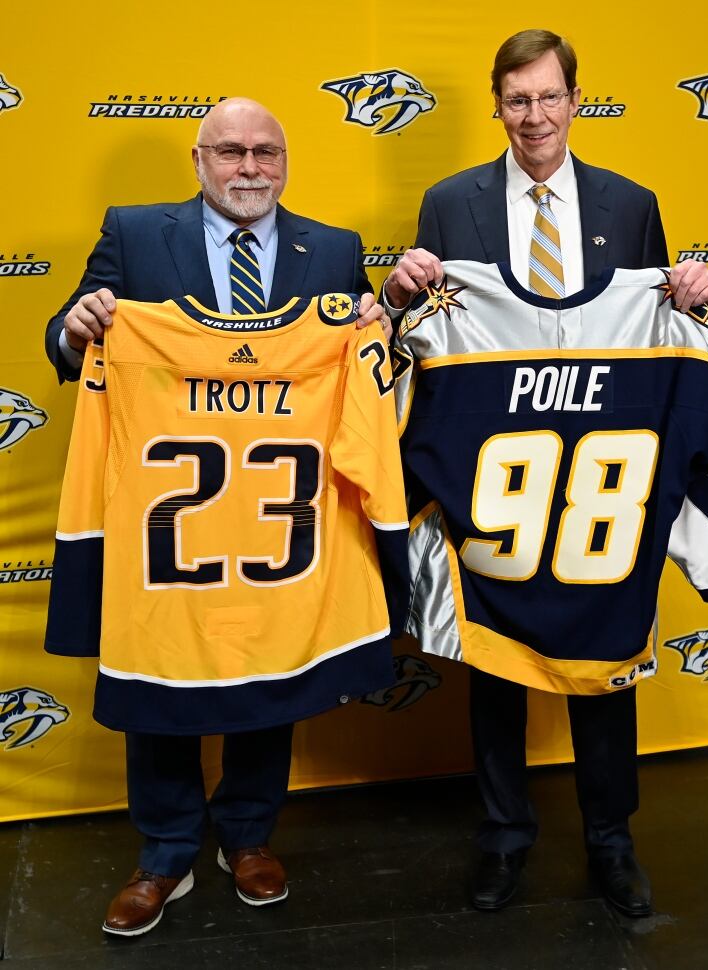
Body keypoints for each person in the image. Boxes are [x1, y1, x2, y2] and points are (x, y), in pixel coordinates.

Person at [383, 29, 708, 918]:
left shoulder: (632, 201)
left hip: (601, 479)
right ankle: (503, 840)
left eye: (548, 96)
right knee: (495, 663)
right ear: (498, 106)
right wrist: (399, 295)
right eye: (516, 99)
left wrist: (704, 298)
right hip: (502, 474)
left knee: (607, 664)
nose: (534, 116)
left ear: (576, 99)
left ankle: (613, 842)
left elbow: (665, 331)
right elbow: (424, 340)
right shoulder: (448, 203)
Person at [45, 97, 392, 937]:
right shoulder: (132, 234)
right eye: (231, 152)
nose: (249, 168)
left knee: (269, 668)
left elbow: (363, 372)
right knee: (159, 670)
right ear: (199, 160)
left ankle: (248, 836)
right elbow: (65, 340)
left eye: (266, 153)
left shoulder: (335, 250)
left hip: (280, 520)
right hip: (170, 525)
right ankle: (164, 852)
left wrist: (382, 325)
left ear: (285, 161)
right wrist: (75, 326)